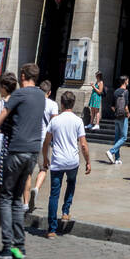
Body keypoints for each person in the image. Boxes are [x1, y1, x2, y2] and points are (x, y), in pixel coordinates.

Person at [0, 62, 46, 259]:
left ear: (23, 76)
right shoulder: (41, 96)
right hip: (33, 153)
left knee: (5, 198)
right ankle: (19, 244)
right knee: (17, 199)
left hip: (16, 150)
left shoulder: (19, 95)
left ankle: (7, 246)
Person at [43, 90, 91, 238]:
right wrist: (88, 161)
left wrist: (45, 157)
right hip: (72, 161)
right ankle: (65, 211)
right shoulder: (78, 121)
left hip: (57, 161)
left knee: (54, 194)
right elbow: (83, 145)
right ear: (73, 103)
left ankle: (52, 229)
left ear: (61, 104)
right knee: (71, 183)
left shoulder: (55, 121)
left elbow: (46, 142)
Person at [27, 79, 59, 212]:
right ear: (50, 92)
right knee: (43, 168)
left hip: (30, 139)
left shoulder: (31, 102)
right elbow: (55, 124)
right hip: (44, 141)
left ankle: (25, 199)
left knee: (28, 171)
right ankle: (36, 188)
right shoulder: (53, 104)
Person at [106, 76, 130, 165]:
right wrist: (128, 113)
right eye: (127, 80)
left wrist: (116, 112)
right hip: (123, 116)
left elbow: (112, 106)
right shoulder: (126, 92)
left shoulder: (116, 91)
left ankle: (117, 158)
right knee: (124, 137)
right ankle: (111, 151)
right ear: (125, 81)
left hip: (116, 116)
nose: (128, 82)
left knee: (117, 137)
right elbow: (126, 106)